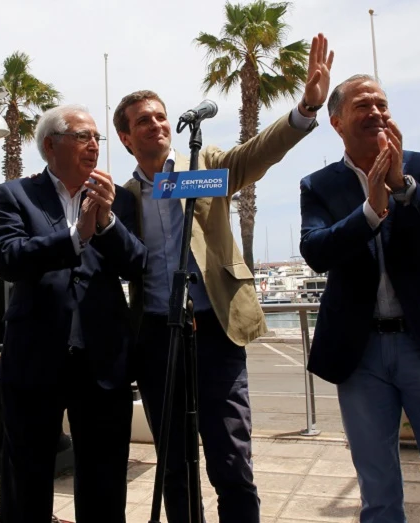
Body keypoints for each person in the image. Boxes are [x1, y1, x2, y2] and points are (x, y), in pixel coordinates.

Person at [114, 32, 333, 523]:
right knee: (174, 463)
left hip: (214, 328)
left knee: (231, 457)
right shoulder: (124, 196)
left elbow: (257, 154)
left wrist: (304, 111)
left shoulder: (203, 163)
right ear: (126, 138)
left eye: (160, 116)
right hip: (156, 336)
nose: (156, 125)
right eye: (142, 121)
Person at [298, 74, 420, 523]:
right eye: (363, 106)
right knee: (379, 490)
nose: (377, 113)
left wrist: (402, 185)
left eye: (382, 104)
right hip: (359, 352)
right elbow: (315, 251)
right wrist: (370, 211)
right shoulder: (319, 185)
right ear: (337, 122)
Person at [0, 104, 147, 523]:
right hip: (34, 359)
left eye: (97, 137)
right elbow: (7, 257)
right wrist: (75, 236)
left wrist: (108, 221)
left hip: (102, 358)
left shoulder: (119, 198)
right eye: (82, 136)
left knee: (104, 478)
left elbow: (136, 265)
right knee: (27, 477)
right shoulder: (16, 194)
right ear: (50, 145)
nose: (93, 145)